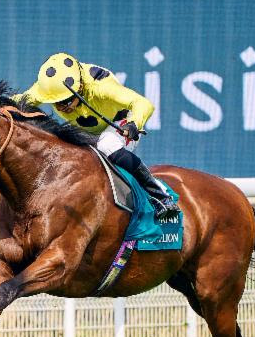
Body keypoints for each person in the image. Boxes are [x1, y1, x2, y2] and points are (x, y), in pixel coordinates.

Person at [20, 52, 179, 218]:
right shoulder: (48, 88)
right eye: (55, 103)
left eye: (66, 101)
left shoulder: (100, 88)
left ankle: (160, 196)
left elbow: (143, 103)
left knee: (106, 145)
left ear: (80, 87)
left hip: (121, 122)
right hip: (86, 133)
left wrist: (134, 124)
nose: (61, 108)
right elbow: (18, 101)